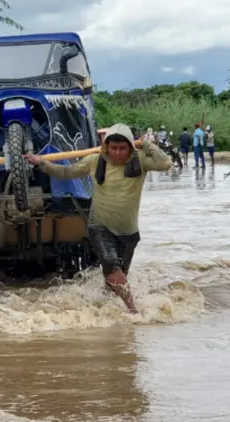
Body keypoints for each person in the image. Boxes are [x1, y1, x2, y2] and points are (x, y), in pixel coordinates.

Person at [23, 124, 172, 314]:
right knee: (112, 269)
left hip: (129, 232)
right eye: (113, 148)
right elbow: (66, 173)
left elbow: (166, 164)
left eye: (122, 148)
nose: (117, 153)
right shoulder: (95, 161)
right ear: (106, 147)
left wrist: (148, 144)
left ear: (130, 148)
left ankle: (106, 309)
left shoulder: (140, 161)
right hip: (100, 226)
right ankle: (134, 312)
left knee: (115, 279)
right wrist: (40, 163)